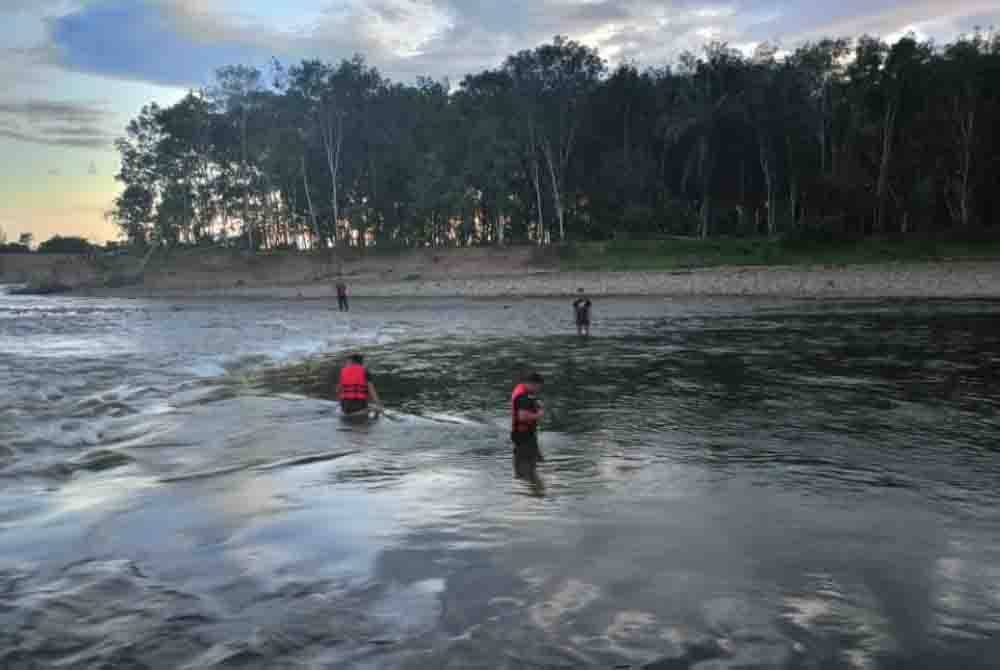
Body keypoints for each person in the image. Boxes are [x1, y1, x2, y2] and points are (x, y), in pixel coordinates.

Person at [511, 372, 545, 480]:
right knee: (526, 467)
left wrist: (536, 403)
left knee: (535, 462)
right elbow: (522, 417)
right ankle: (528, 487)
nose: (538, 390)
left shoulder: (523, 391)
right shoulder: (523, 397)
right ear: (532, 384)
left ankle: (529, 486)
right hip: (524, 436)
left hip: (523, 435)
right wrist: (538, 415)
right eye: (539, 387)